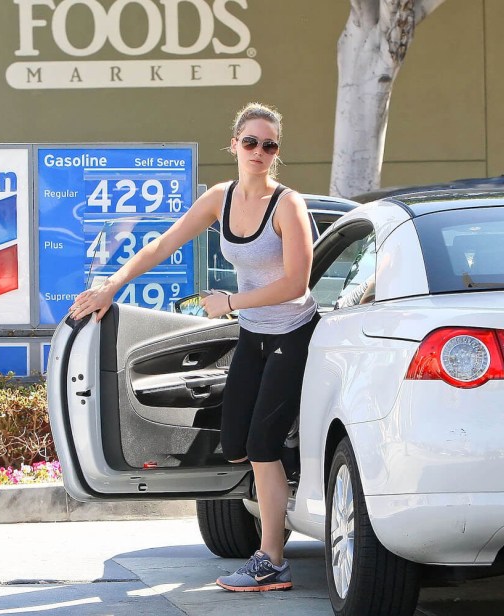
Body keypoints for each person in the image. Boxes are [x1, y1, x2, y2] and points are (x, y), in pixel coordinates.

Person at [68, 102, 318, 593]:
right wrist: (110, 286)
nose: (259, 152)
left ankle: (272, 559)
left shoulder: (288, 205)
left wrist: (231, 300)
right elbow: (160, 245)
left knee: (262, 444)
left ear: (276, 154)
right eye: (250, 142)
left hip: (292, 332)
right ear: (234, 145)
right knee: (237, 442)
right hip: (253, 334)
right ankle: (289, 470)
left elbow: (296, 283)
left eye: (269, 145)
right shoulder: (220, 200)